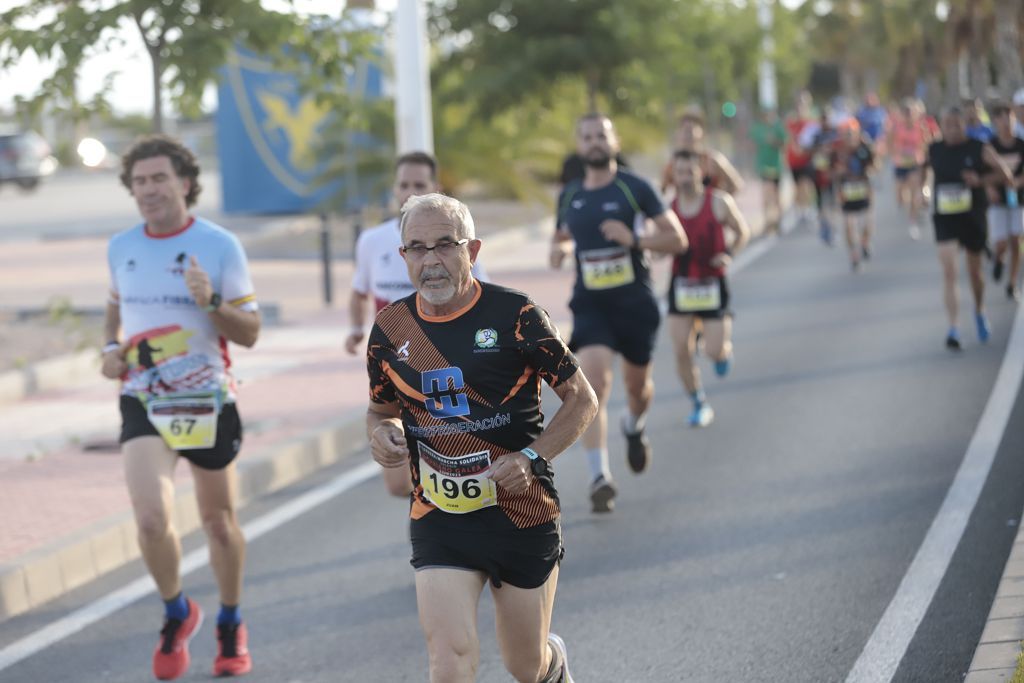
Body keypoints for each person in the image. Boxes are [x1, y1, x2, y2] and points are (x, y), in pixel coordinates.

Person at [366, 193, 598, 683]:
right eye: (417, 248)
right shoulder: (390, 329)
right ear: (403, 255)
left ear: (472, 251)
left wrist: (532, 457)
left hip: (522, 510)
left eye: (444, 245)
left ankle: (552, 664)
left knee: (524, 665)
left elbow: (582, 400)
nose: (431, 260)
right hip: (440, 514)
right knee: (448, 662)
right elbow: (380, 411)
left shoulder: (516, 315)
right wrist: (381, 435)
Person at [102, 135, 257, 680]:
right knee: (149, 519)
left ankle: (230, 619)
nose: (148, 190)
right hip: (144, 398)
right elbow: (116, 305)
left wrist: (209, 301)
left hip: (206, 399)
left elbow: (251, 332)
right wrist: (109, 349)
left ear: (186, 182)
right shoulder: (120, 245)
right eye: (139, 181)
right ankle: (177, 611)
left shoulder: (218, 246)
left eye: (159, 178)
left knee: (218, 524)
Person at [553, 113, 687, 513]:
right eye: (588, 136)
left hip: (634, 304)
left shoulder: (634, 188)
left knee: (637, 389)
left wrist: (635, 239)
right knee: (593, 383)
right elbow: (561, 237)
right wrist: (558, 250)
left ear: (614, 142)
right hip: (591, 305)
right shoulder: (570, 194)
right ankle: (599, 477)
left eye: (602, 136)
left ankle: (634, 425)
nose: (595, 142)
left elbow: (676, 239)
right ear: (580, 145)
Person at [345, 151, 486, 496]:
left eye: (419, 185)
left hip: (446, 362)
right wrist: (355, 329)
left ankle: (442, 527)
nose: (409, 192)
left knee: (453, 459)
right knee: (398, 483)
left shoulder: (454, 242)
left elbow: (480, 293)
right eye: (403, 184)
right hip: (396, 365)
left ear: (434, 188)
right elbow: (359, 290)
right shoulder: (372, 242)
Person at [667, 151, 750, 427]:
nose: (685, 177)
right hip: (681, 284)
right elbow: (659, 241)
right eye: (679, 172)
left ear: (700, 173)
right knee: (681, 349)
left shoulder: (718, 202)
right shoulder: (669, 209)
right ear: (674, 176)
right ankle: (698, 401)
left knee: (714, 351)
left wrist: (729, 252)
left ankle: (721, 352)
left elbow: (742, 231)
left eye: (689, 171)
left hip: (712, 284)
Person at [925, 107, 1013, 350]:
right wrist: (923, 190)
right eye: (947, 125)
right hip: (944, 216)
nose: (952, 129)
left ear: (966, 124)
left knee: (974, 272)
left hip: (972, 215)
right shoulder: (935, 148)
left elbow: (1005, 174)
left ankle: (979, 309)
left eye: (957, 124)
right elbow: (926, 171)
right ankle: (953, 328)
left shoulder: (979, 148)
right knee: (949, 271)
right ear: (941, 126)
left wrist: (980, 181)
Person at [985, 102, 1024, 301]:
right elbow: (984, 172)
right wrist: (990, 188)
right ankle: (999, 259)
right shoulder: (990, 146)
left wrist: (1017, 182)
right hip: (998, 201)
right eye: (1001, 119)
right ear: (995, 122)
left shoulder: (1020, 144)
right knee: (1001, 244)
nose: (1007, 123)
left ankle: (1012, 284)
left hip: (1018, 200)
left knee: (1016, 241)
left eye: (1010, 118)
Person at [660, 106, 744, 197]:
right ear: (678, 134)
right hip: (684, 210)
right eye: (684, 129)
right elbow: (661, 191)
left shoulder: (712, 159)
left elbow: (736, 185)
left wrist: (718, 202)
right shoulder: (673, 163)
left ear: (701, 132)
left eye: (691, 129)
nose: (688, 134)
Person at [888, 98, 933, 239]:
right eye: (906, 113)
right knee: (900, 196)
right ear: (902, 114)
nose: (908, 116)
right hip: (900, 164)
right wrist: (895, 154)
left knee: (915, 192)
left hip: (915, 163)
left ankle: (912, 221)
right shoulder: (896, 128)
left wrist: (922, 153)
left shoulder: (920, 127)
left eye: (911, 113)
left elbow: (927, 143)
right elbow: (889, 142)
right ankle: (907, 209)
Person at [834, 124, 877, 271]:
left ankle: (864, 243)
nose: (849, 138)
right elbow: (831, 171)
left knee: (867, 224)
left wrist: (870, 171)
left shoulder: (864, 149)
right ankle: (854, 254)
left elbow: (875, 165)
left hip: (863, 190)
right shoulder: (839, 152)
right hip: (846, 192)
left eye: (852, 135)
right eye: (846, 135)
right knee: (849, 225)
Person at [749, 108, 787, 233]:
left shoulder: (778, 128)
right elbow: (751, 143)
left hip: (775, 165)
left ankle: (778, 220)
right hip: (764, 166)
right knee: (766, 193)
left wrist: (774, 142)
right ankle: (767, 221)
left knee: (776, 195)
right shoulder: (758, 128)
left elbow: (784, 143)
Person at [785, 92, 818, 230]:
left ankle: (807, 210)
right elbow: (787, 141)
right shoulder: (790, 123)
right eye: (799, 104)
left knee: (806, 185)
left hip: (807, 160)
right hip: (794, 161)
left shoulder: (812, 123)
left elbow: (815, 141)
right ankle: (800, 212)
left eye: (803, 104)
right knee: (797, 188)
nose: (801, 107)